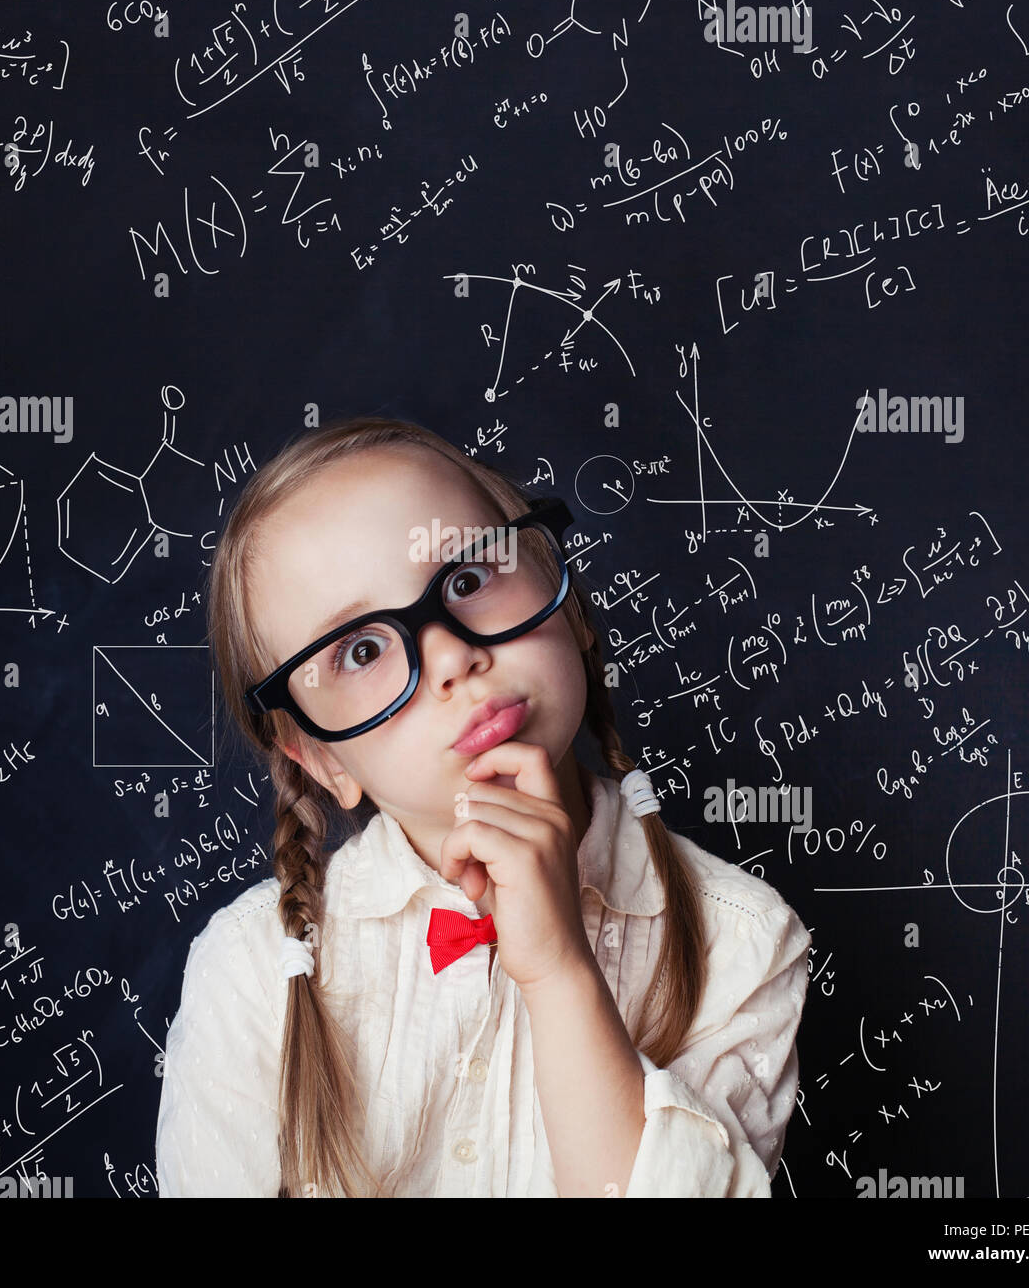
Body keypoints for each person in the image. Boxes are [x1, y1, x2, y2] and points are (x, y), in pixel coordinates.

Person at [155, 415, 812, 1197]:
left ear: (565, 597)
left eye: (468, 579)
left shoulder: (741, 941)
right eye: (360, 651)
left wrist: (562, 972)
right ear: (322, 757)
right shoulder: (250, 973)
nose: (452, 655)